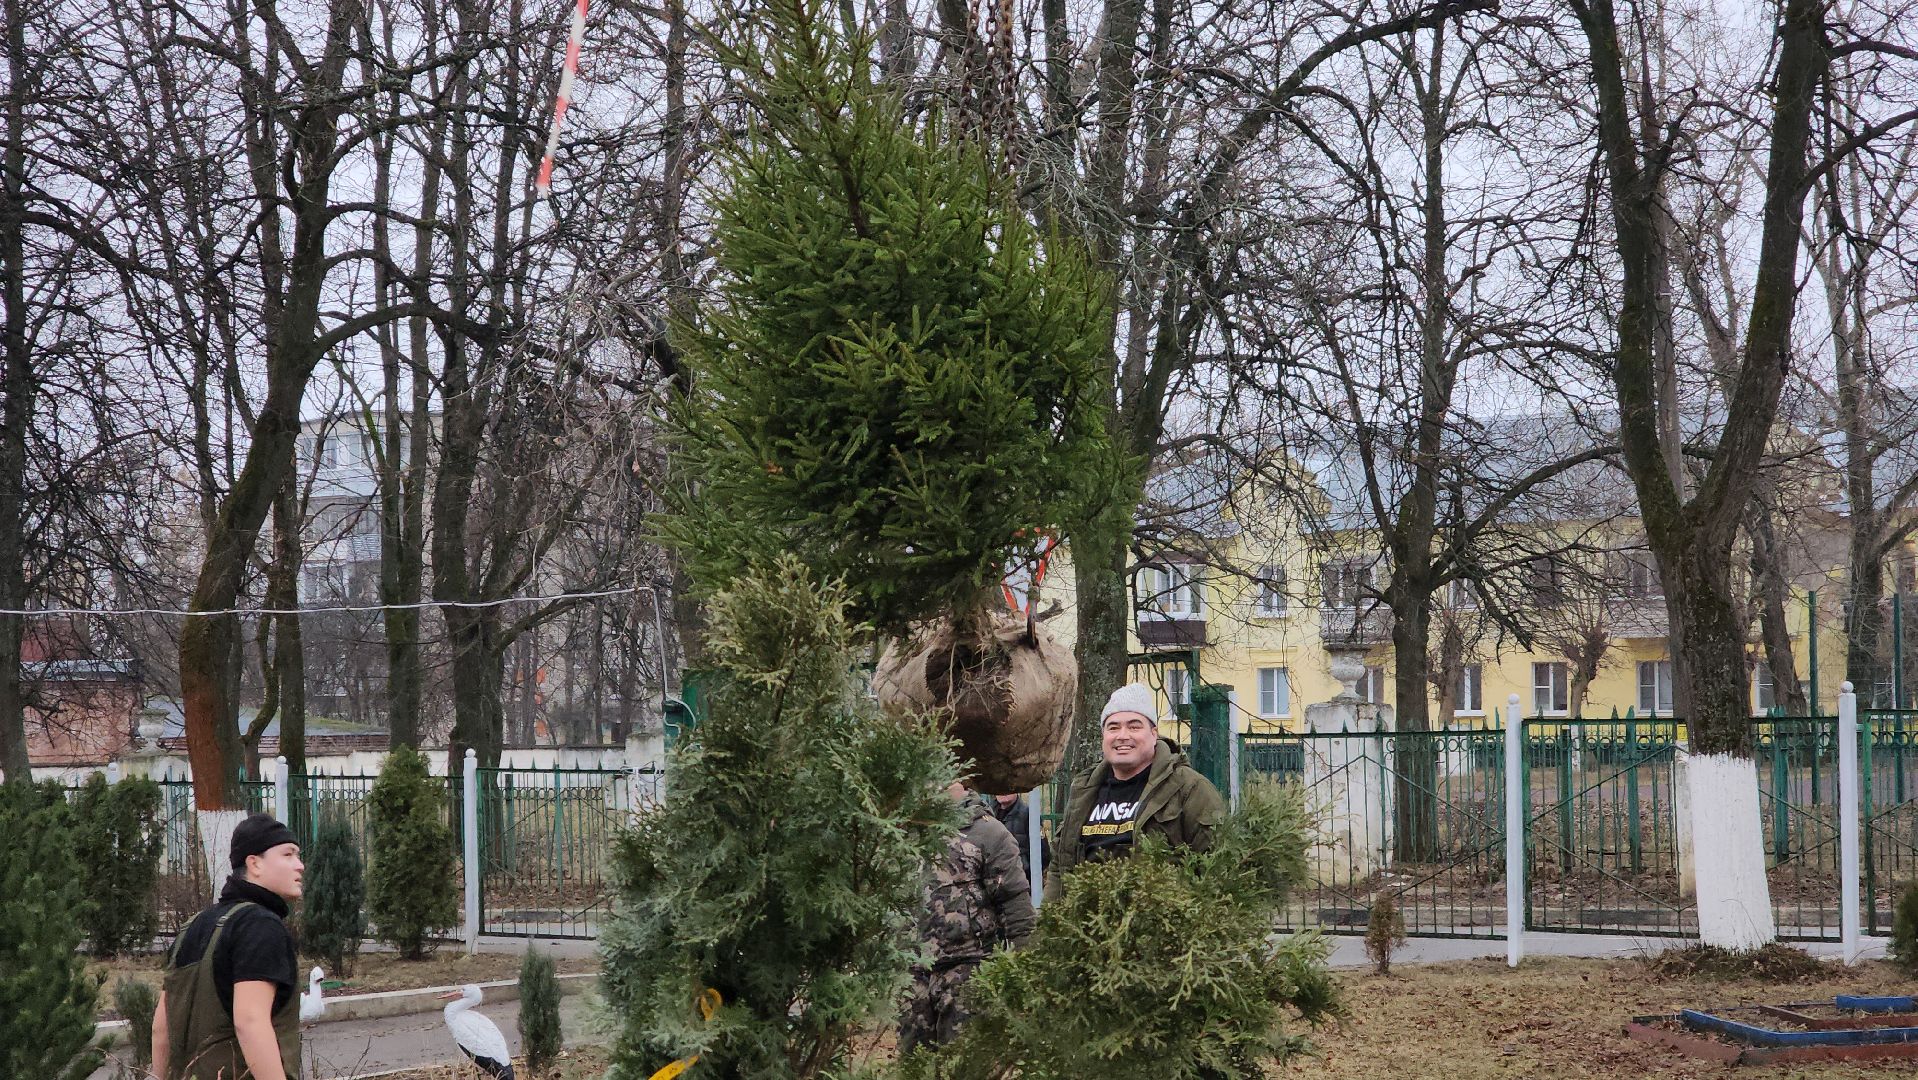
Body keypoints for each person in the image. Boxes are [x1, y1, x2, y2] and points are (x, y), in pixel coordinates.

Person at [154, 813, 305, 1080]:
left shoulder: (195, 924)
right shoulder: (260, 926)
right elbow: (250, 1021)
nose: (300, 865)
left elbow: (162, 1027)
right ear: (254, 863)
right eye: (288, 854)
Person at [1044, 682, 1226, 896]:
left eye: (1134, 726)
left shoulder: (1190, 789)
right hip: (1087, 925)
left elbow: (1217, 866)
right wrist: (1052, 924)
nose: (1122, 735)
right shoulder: (1084, 790)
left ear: (1153, 733)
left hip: (1161, 923)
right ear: (1104, 736)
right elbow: (1059, 868)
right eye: (1113, 727)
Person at [899, 782, 1036, 1053]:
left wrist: (1029, 971)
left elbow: (1015, 904)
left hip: (968, 972)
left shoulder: (988, 832)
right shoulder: (905, 830)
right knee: (914, 1064)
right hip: (913, 973)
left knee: (962, 1061)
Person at [988, 790, 1050, 876]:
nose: (1004, 791)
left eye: (1008, 787)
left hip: (1020, 880)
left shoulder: (1029, 814)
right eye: (1000, 787)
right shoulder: (987, 814)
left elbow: (1043, 854)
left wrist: (1025, 871)